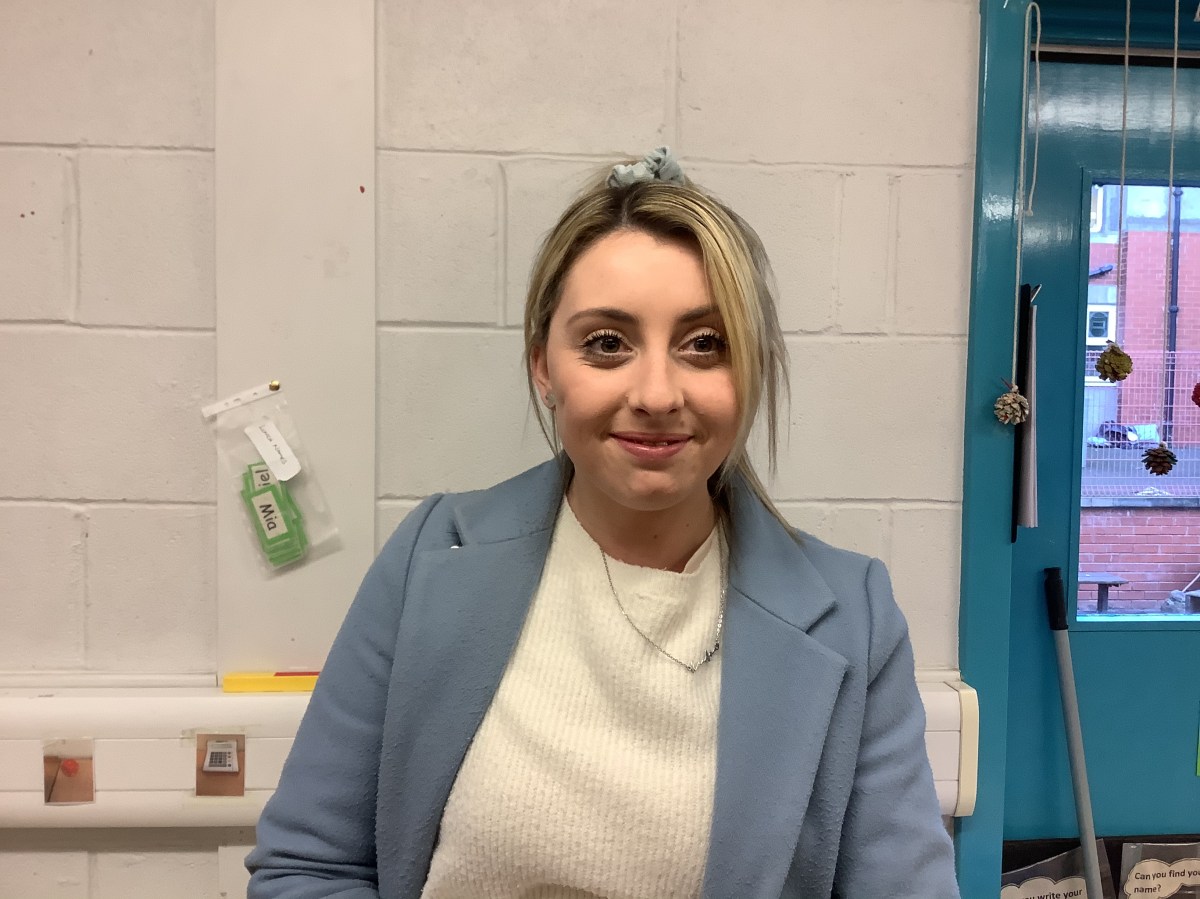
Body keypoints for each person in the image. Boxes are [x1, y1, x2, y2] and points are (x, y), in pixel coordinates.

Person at [246, 147, 960, 898]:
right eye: (607, 344)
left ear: (750, 367)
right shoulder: (431, 557)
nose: (656, 394)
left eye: (705, 344)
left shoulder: (853, 618)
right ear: (544, 367)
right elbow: (308, 869)